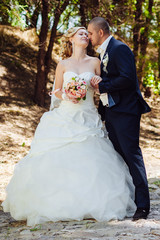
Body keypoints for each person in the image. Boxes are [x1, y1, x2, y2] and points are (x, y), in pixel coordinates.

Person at [2, 27, 136, 226]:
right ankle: (56, 203)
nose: (85, 36)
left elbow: (103, 88)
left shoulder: (95, 62)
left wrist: (98, 82)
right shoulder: (63, 64)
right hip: (66, 114)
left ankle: (91, 202)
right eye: (81, 33)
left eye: (86, 33)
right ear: (71, 39)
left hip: (89, 117)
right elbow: (56, 90)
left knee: (92, 158)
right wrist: (67, 95)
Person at [88, 17, 151, 221]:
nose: (88, 37)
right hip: (112, 111)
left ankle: (143, 206)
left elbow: (127, 78)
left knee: (132, 155)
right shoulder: (104, 51)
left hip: (126, 111)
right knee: (119, 156)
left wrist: (101, 85)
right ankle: (128, 196)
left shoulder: (119, 48)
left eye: (90, 33)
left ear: (100, 32)